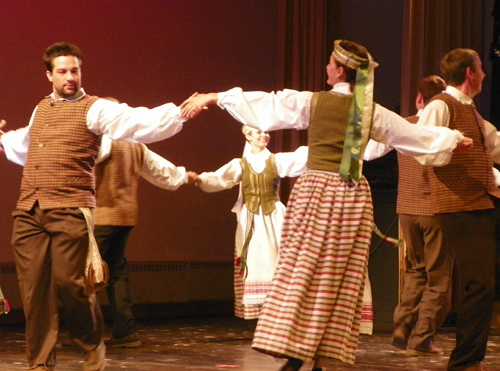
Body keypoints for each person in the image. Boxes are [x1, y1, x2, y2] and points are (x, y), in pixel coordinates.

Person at [180, 39, 472, 371]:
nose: (326, 68)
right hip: (351, 196)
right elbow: (410, 135)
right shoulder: (370, 111)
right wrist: (452, 141)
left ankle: (295, 349)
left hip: (316, 192)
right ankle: (319, 353)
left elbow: (269, 106)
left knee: (300, 271)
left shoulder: (312, 102)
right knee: (339, 276)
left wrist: (215, 97)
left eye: (331, 64)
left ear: (341, 70)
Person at [0, 42, 191, 371]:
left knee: (72, 285)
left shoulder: (96, 108)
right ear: (50, 75)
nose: (70, 77)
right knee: (34, 293)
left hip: (70, 207)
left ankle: (91, 346)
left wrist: (177, 113)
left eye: (75, 70)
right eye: (63, 71)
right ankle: (41, 364)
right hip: (29, 209)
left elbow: (134, 121)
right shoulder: (41, 108)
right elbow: (26, 141)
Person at [411, 48, 500, 371]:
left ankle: (468, 359)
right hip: (457, 203)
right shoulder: (440, 105)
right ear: (469, 74)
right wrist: (451, 140)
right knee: (479, 283)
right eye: (481, 69)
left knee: (483, 283)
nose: (485, 75)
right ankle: (464, 362)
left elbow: (495, 144)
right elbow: (425, 150)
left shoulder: (470, 110)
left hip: (480, 199)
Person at [367, 75, 451, 356]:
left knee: (416, 271)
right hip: (436, 211)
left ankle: (402, 327)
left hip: (406, 211)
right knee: (438, 279)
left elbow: (371, 151)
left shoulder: (403, 126)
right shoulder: (447, 130)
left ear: (419, 99)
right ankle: (421, 338)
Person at [93, 130, 198, 348]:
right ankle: (125, 332)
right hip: (126, 216)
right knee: (116, 273)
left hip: (102, 215)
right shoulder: (135, 144)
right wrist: (183, 176)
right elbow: (158, 169)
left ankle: (86, 336)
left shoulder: (102, 142)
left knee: (85, 274)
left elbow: (81, 160)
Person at [195, 125, 308, 320]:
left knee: (278, 255)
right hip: (251, 218)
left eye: (266, 132)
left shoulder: (276, 160)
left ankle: (279, 309)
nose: (264, 135)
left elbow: (301, 158)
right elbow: (220, 179)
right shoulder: (240, 164)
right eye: (258, 132)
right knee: (256, 257)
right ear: (248, 136)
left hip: (274, 215)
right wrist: (199, 179)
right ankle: (263, 313)